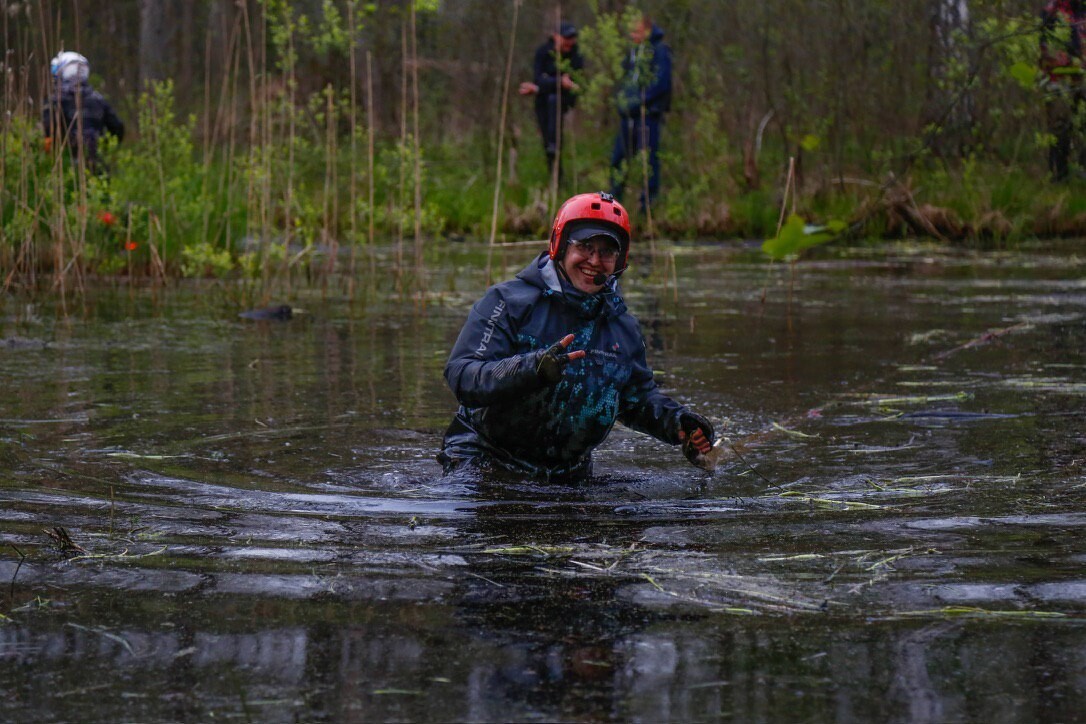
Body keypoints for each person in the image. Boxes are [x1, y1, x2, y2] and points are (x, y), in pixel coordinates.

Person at [438, 191, 714, 483]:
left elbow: (637, 399)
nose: (594, 260)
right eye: (584, 246)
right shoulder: (507, 302)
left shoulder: (624, 328)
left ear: (619, 260)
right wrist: (532, 369)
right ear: (560, 246)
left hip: (568, 475)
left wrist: (678, 422)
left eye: (607, 251)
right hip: (484, 459)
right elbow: (462, 374)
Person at [610, 14, 671, 211]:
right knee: (619, 158)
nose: (632, 35)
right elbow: (624, 80)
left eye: (636, 31)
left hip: (648, 116)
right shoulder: (633, 53)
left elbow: (661, 84)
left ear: (647, 30)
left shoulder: (660, 51)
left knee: (649, 161)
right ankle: (614, 202)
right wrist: (623, 102)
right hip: (628, 116)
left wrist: (640, 102)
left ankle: (648, 207)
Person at [518, 22, 584, 181]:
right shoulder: (543, 52)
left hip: (563, 101)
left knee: (555, 101)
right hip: (542, 102)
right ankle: (555, 177)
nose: (570, 41)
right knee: (547, 141)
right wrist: (558, 82)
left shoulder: (576, 55)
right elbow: (538, 79)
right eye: (566, 37)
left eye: (572, 38)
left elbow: (576, 83)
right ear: (556, 36)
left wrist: (546, 85)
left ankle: (558, 166)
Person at [42, 51, 124, 171]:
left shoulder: (56, 101)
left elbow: (47, 130)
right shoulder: (98, 100)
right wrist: (106, 148)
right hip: (96, 163)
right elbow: (118, 128)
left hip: (65, 166)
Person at [1040, 1, 1086, 181]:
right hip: (1058, 79)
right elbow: (1044, 47)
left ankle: (1082, 170)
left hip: (1082, 77)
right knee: (1060, 127)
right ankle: (1058, 176)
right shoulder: (1052, 11)